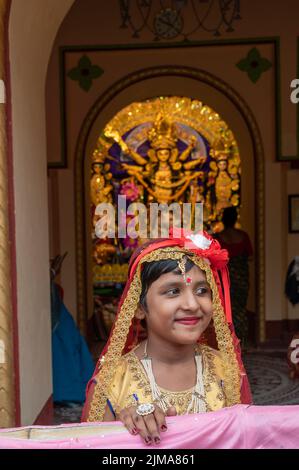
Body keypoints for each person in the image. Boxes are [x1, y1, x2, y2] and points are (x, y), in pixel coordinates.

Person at [81, 230, 251, 445]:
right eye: (173, 291)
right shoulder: (112, 383)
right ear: (139, 307)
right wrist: (123, 429)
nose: (192, 304)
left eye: (201, 290)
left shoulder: (226, 371)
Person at [215, 207, 253, 346]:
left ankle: (228, 343)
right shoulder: (243, 236)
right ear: (236, 219)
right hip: (242, 280)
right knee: (241, 309)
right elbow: (250, 256)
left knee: (226, 309)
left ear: (223, 220)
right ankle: (243, 342)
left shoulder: (218, 238)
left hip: (225, 279)